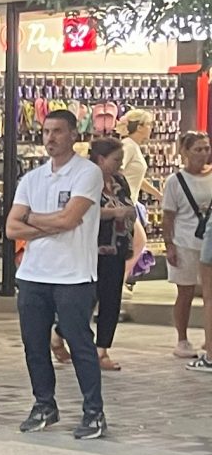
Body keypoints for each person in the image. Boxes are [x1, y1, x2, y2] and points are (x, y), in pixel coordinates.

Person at [6, 107, 106, 439]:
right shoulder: (32, 178)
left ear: (73, 135)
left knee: (79, 344)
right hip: (33, 274)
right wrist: (51, 222)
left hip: (73, 276)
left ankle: (93, 412)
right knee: (34, 344)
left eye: (58, 131)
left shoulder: (87, 173)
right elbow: (11, 227)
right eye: (46, 131)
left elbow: (70, 219)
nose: (50, 138)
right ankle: (44, 405)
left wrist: (32, 218)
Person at [160, 132, 212, 358]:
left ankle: (209, 338)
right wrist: (169, 245)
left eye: (206, 148)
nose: (203, 153)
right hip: (185, 241)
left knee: (209, 293)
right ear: (185, 152)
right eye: (198, 149)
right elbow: (168, 216)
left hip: (209, 242)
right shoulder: (175, 181)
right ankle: (182, 339)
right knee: (185, 292)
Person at [88, 135, 135, 371]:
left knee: (111, 300)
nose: (120, 164)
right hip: (91, 248)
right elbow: (81, 212)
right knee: (87, 298)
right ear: (100, 159)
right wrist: (113, 213)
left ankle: (102, 349)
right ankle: (60, 334)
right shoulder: (86, 181)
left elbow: (127, 205)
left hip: (117, 246)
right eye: (116, 159)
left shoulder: (119, 181)